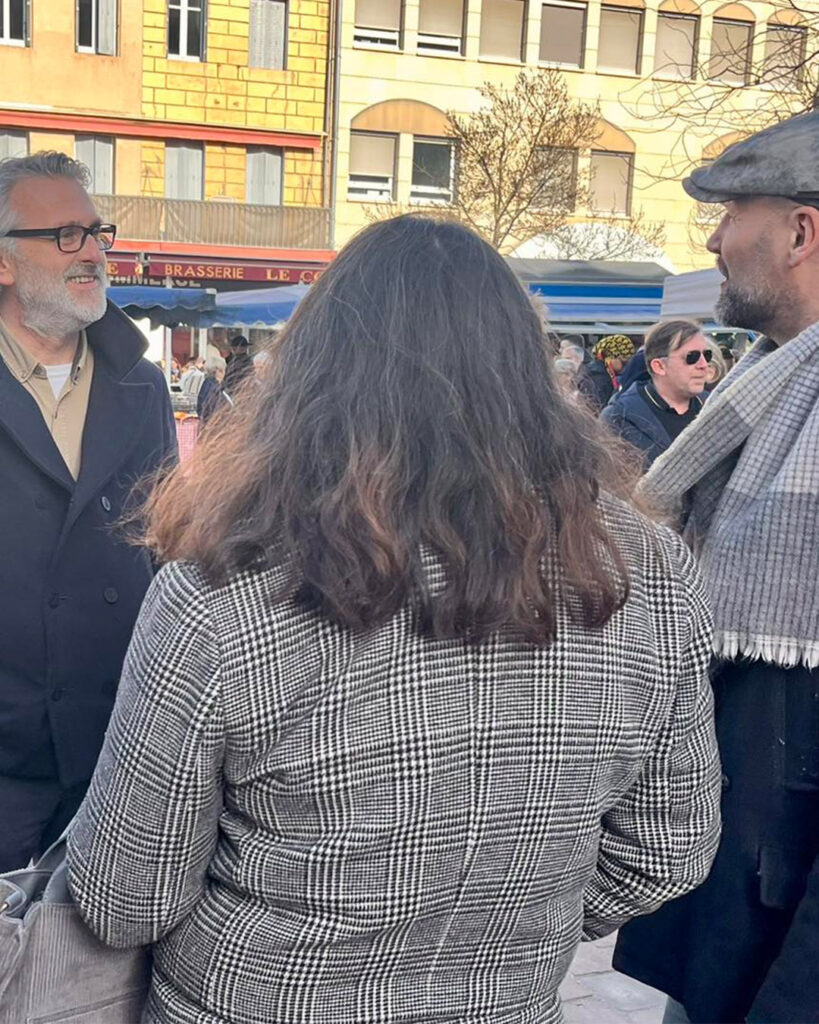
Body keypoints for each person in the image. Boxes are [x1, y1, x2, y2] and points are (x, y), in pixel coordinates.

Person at [67, 215, 720, 1024]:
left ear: (311, 371)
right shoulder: (647, 573)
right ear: (527, 366)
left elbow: (127, 896)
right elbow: (669, 849)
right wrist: (514, 923)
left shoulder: (224, 586)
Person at [614, 108, 819, 1024]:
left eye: (732, 211)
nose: (712, 237)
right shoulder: (767, 389)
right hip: (731, 900)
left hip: (781, 945)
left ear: (801, 231)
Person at [0, 152, 176, 871]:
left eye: (97, 232)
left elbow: (166, 548)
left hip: (115, 752)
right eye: (66, 235)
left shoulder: (141, 383)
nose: (94, 251)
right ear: (5, 262)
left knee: (97, 970)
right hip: (7, 760)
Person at [600, 320, 708, 469]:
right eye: (692, 357)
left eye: (707, 355)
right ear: (659, 366)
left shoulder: (716, 407)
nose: (703, 365)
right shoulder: (617, 418)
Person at [577, 334, 635, 410]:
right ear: (611, 357)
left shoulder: (595, 371)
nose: (625, 366)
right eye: (623, 362)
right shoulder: (599, 377)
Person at [196, 352, 232, 424]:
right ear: (219, 371)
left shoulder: (207, 384)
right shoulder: (215, 388)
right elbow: (217, 413)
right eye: (224, 370)